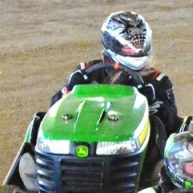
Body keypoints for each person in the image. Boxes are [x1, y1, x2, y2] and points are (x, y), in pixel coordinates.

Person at [51, 11, 181, 160]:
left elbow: (172, 126)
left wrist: (157, 109)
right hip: (89, 138)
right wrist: (64, 97)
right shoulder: (85, 73)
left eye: (140, 44)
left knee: (157, 123)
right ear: (112, 44)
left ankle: (157, 176)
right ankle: (40, 160)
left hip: (134, 149)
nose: (137, 50)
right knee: (38, 119)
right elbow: (55, 109)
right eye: (130, 47)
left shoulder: (157, 81)